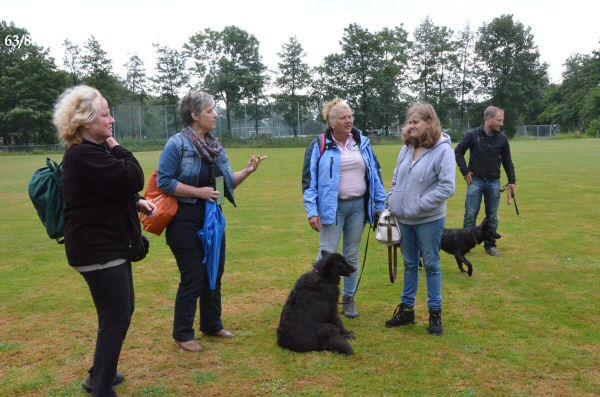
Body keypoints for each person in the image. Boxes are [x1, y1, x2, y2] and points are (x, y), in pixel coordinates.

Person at [55, 85, 155, 396]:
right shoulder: (84, 154)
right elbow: (132, 176)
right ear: (85, 121)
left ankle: (100, 373)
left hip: (108, 246)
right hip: (98, 250)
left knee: (120, 312)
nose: (111, 120)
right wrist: (116, 144)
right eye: (105, 114)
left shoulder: (90, 155)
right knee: (116, 316)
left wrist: (135, 202)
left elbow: (109, 190)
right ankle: (100, 387)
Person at [157, 90, 266, 352]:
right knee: (193, 275)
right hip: (184, 219)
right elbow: (165, 181)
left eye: (214, 109)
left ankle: (212, 324)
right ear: (194, 115)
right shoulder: (178, 144)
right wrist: (199, 193)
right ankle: (183, 333)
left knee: (213, 272)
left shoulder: (215, 147)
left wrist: (248, 171)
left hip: (212, 219)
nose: (215, 114)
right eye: (210, 110)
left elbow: (226, 184)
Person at [303, 98, 386, 318]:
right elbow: (309, 181)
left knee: (351, 254)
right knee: (326, 254)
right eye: (343, 117)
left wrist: (380, 206)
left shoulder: (363, 142)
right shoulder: (319, 144)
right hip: (332, 208)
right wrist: (312, 211)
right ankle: (320, 299)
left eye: (350, 116)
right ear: (332, 122)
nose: (349, 120)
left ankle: (349, 298)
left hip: (358, 207)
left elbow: (375, 176)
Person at [385, 103, 455, 335]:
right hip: (404, 219)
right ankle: (407, 310)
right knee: (410, 264)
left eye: (415, 122)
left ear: (429, 123)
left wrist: (418, 206)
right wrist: (393, 201)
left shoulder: (443, 150)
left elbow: (447, 187)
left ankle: (435, 314)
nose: (410, 126)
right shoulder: (406, 148)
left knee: (432, 265)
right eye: (410, 122)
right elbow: (396, 179)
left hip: (429, 220)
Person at [454, 106, 516, 256]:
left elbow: (507, 161)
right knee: (470, 214)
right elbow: (458, 152)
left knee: (492, 216)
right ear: (488, 119)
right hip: (475, 181)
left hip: (494, 182)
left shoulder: (502, 138)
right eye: (499, 120)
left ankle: (490, 245)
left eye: (502, 121)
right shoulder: (472, 135)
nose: (501, 124)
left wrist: (512, 181)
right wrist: (465, 171)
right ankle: (465, 246)